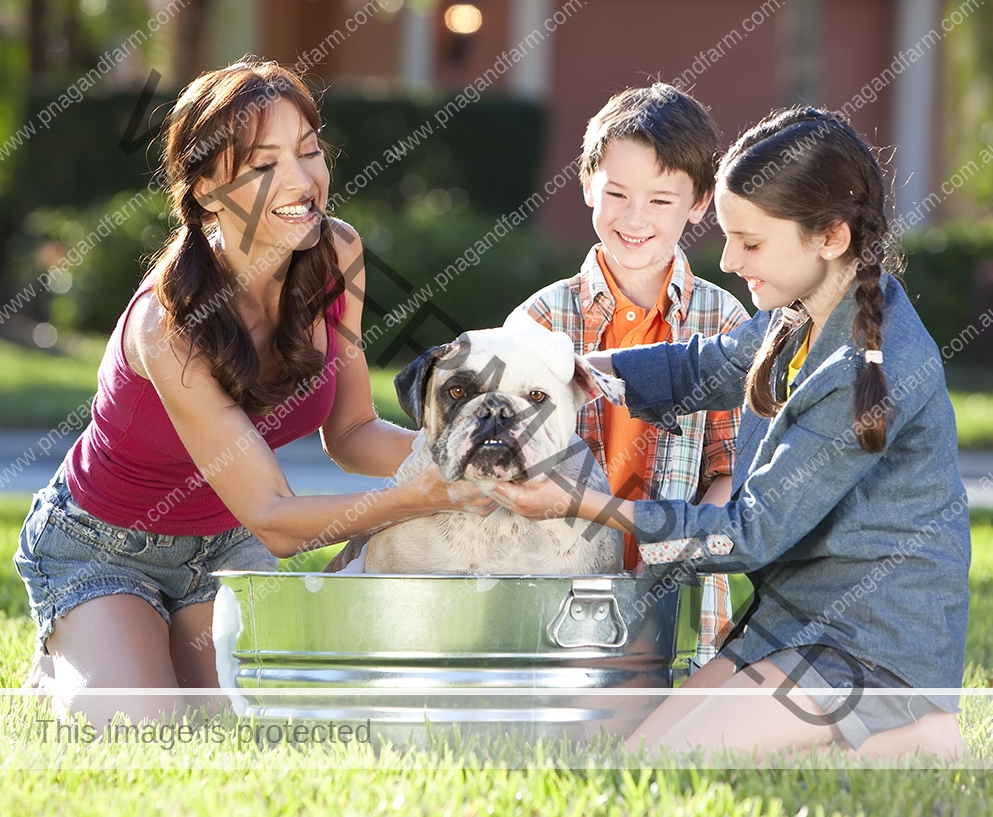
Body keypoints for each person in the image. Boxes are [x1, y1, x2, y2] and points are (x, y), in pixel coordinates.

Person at [14, 59, 493, 726]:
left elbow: (352, 433)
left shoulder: (337, 254)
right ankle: (68, 656)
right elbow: (272, 512)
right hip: (104, 544)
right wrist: (413, 497)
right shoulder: (170, 326)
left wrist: (463, 461)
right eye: (264, 163)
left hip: (226, 546)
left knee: (248, 722)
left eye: (308, 150)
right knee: (147, 728)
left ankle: (152, 645)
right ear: (207, 188)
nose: (301, 180)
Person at [493, 107, 970, 760]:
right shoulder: (802, 307)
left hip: (865, 648)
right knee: (628, 758)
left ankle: (918, 735)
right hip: (787, 627)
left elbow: (748, 532)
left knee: (659, 767)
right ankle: (858, 742)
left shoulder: (864, 368)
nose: (725, 258)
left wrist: (579, 504)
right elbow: (706, 364)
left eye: (749, 242)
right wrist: (580, 368)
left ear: (829, 235)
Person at [516, 83, 748, 668]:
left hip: (677, 581)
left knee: (665, 737)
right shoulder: (541, 320)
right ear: (588, 182)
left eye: (662, 201)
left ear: (699, 205)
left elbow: (730, 467)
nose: (635, 218)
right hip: (555, 576)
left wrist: (683, 550)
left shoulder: (724, 321)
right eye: (616, 192)